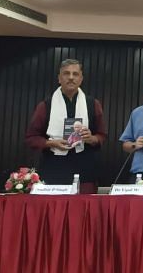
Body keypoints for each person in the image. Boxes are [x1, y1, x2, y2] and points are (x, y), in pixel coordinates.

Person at [25, 59, 107, 194]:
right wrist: (51, 143)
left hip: (85, 169)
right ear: (59, 78)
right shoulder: (46, 105)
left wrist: (91, 138)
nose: (71, 77)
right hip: (54, 168)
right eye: (66, 73)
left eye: (75, 74)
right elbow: (31, 138)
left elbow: (102, 135)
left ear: (81, 79)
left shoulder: (93, 104)